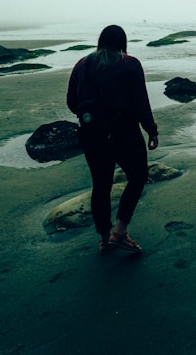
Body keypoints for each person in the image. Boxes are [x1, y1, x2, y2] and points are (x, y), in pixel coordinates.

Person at [66, 24, 159, 253]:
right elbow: (141, 103)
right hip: (124, 132)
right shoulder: (130, 64)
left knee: (101, 185)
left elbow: (71, 101)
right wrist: (151, 130)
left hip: (91, 134)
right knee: (138, 177)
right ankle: (120, 231)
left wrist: (90, 116)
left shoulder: (82, 63)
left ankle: (105, 238)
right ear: (123, 42)